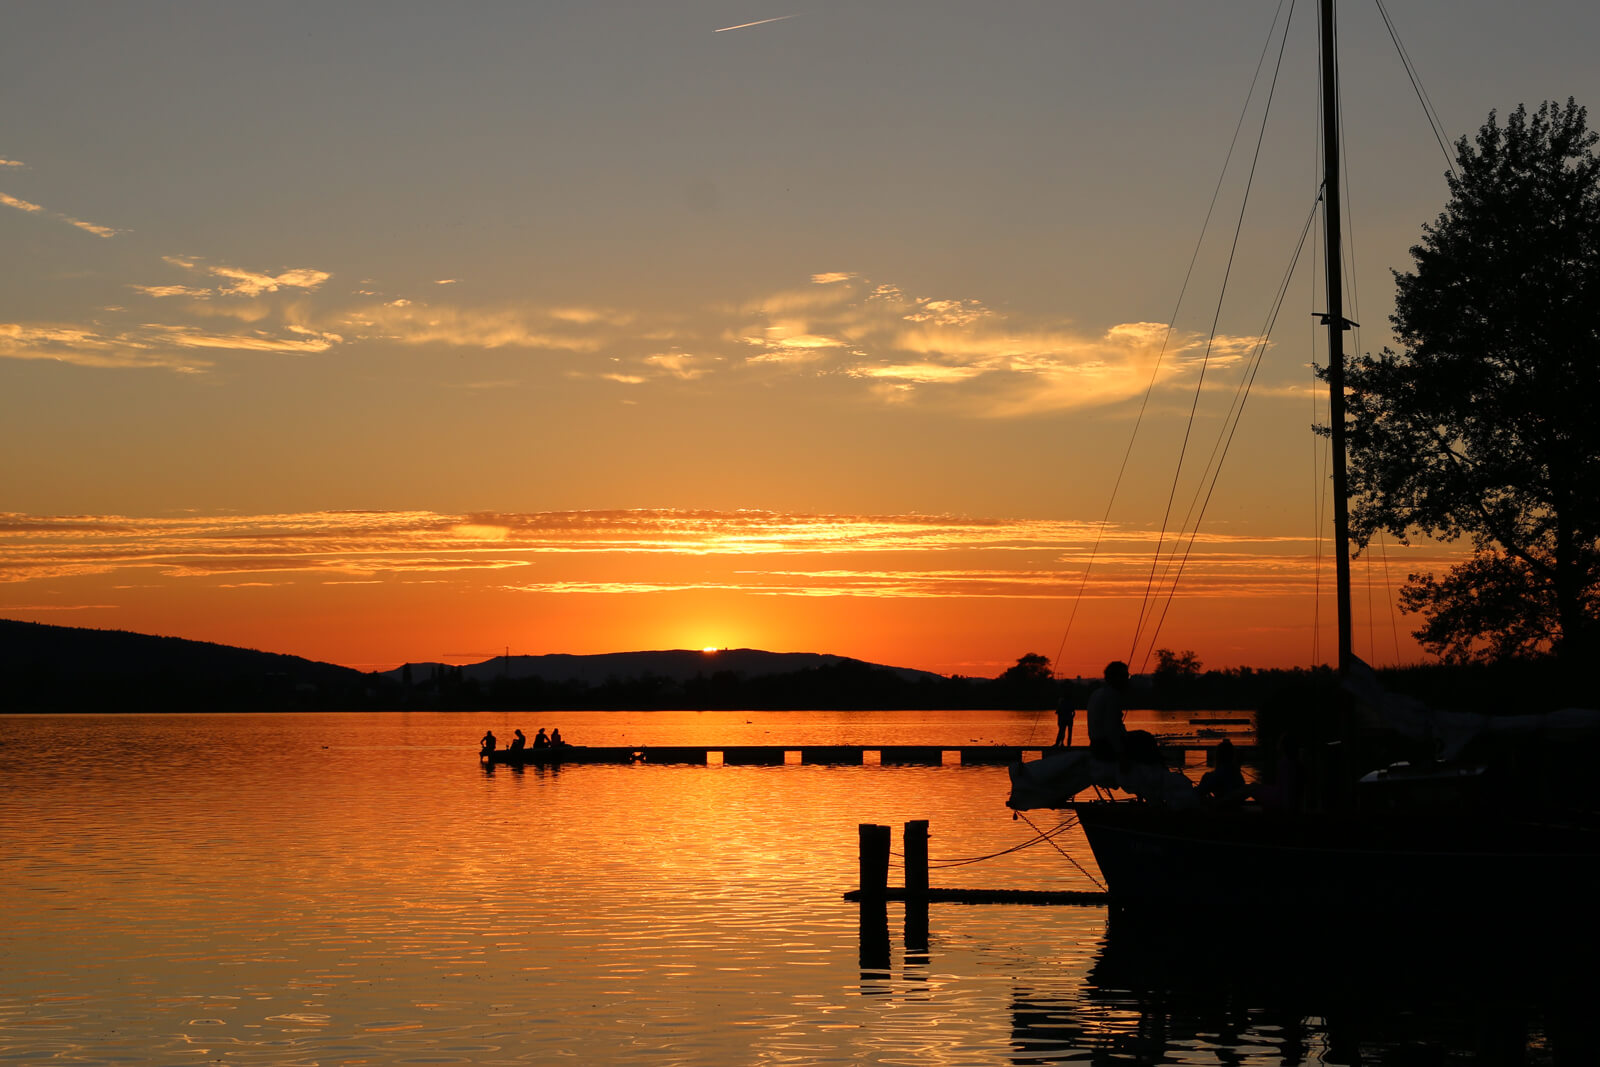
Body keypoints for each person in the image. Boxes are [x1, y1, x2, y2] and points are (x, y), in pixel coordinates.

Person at [1086, 660, 1130, 760]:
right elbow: (1112, 728)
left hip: (1095, 743)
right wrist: (1121, 755)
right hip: (1105, 746)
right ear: (1117, 678)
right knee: (1144, 738)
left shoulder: (1096, 693)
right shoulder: (1112, 696)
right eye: (1126, 676)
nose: (1127, 680)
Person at [1198, 738, 1248, 806]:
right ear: (1233, 757)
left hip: (1218, 811)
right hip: (1236, 809)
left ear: (1217, 756)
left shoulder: (1210, 776)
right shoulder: (1238, 776)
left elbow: (1198, 794)